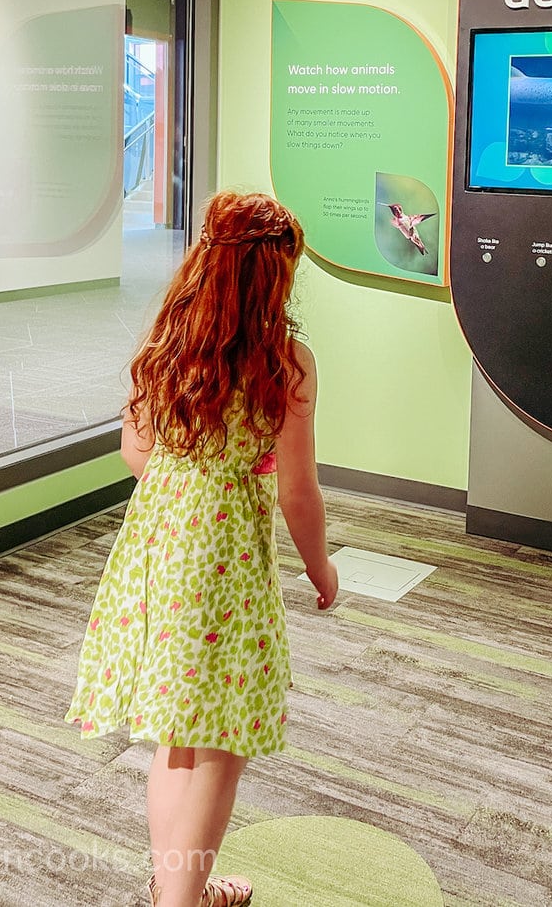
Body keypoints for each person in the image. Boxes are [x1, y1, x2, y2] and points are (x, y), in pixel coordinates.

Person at [66, 191, 339, 907]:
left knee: (176, 733)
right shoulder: (286, 363)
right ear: (275, 276)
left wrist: (188, 481)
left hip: (159, 544)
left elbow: (135, 449)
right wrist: (321, 563)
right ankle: (182, 901)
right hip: (227, 561)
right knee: (221, 740)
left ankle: (177, 884)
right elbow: (299, 492)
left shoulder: (166, 345)